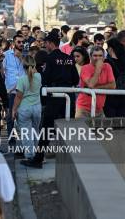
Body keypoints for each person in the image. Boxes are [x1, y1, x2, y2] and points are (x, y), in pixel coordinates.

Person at [28, 32, 80, 167]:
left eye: (46, 43)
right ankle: (73, 159)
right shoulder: (69, 58)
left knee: (46, 129)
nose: (45, 45)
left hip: (55, 95)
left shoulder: (50, 59)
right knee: (69, 129)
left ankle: (38, 159)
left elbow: (45, 79)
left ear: (51, 43)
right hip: (69, 97)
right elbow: (76, 79)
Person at [12, 55, 42, 165]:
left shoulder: (21, 80)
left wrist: (13, 110)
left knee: (26, 133)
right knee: (35, 131)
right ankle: (38, 154)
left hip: (24, 108)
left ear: (23, 67)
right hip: (37, 108)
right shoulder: (39, 76)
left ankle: (30, 156)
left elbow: (18, 97)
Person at [76, 46, 116, 118]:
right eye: (95, 55)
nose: (97, 58)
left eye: (100, 56)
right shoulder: (85, 68)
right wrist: (98, 69)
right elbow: (91, 84)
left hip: (99, 109)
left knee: (103, 129)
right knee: (83, 129)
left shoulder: (107, 66)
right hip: (84, 109)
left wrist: (96, 88)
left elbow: (113, 85)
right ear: (90, 57)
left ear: (104, 57)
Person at [2, 37, 25, 142]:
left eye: (23, 42)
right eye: (19, 42)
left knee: (24, 116)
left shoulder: (26, 55)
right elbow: (2, 71)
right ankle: (11, 139)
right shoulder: (6, 55)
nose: (21, 44)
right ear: (13, 43)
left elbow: (30, 68)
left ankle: (25, 139)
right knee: (11, 115)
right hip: (11, 90)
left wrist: (21, 58)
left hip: (24, 91)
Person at [103, 37, 125, 118]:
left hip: (111, 95)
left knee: (111, 122)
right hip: (124, 94)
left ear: (110, 49)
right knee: (122, 120)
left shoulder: (107, 62)